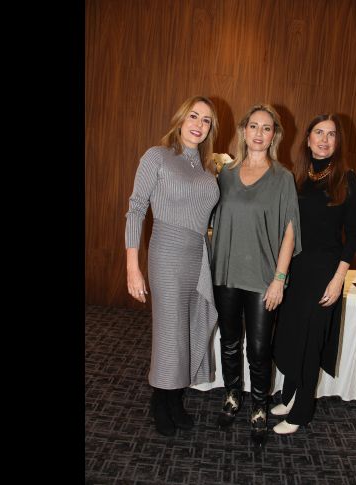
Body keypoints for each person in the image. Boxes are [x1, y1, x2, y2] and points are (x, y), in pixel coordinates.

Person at [125, 95, 221, 437]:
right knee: (170, 332)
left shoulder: (208, 168)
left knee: (191, 326)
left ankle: (176, 397)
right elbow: (136, 209)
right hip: (166, 252)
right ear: (181, 118)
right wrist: (132, 267)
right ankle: (161, 400)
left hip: (199, 255)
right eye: (194, 116)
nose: (199, 124)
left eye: (206, 120)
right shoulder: (157, 156)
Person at [210, 104, 301, 447]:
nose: (259, 133)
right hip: (226, 273)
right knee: (230, 342)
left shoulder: (283, 177)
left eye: (266, 128)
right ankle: (233, 396)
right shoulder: (226, 173)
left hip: (263, 277)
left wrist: (280, 278)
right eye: (253, 126)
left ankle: (260, 407)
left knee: (260, 349)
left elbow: (290, 232)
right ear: (243, 131)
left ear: (274, 135)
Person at [271, 114, 356, 434]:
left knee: (310, 342)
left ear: (338, 142)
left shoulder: (346, 179)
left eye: (331, 134)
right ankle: (289, 396)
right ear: (308, 139)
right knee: (292, 334)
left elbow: (353, 236)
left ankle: (301, 413)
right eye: (319, 133)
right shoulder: (297, 177)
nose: (324, 139)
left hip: (325, 271)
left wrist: (338, 279)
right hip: (296, 268)